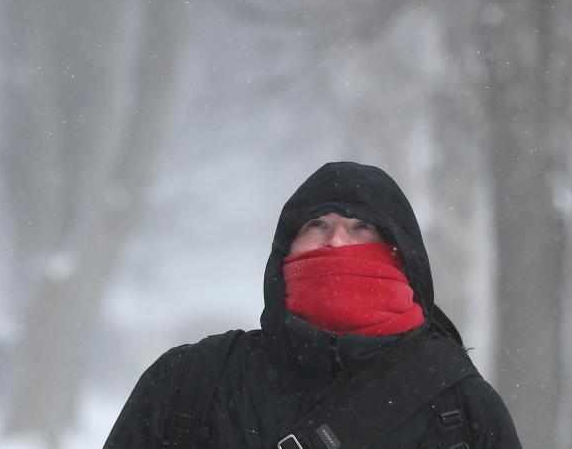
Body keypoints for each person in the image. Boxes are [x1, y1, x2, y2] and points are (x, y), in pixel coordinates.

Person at [104, 162, 523, 448]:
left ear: (402, 255)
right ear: (285, 250)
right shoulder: (192, 381)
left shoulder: (461, 407)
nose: (337, 242)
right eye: (317, 224)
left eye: (362, 228)